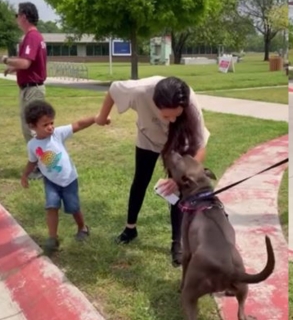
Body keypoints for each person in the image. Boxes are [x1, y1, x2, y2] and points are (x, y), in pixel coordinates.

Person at [95, 76, 210, 267]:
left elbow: (200, 147)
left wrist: (181, 178)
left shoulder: (190, 104)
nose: (172, 120)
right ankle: (130, 229)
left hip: (177, 144)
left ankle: (177, 243)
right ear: (155, 103)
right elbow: (113, 89)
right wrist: (101, 116)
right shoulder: (140, 91)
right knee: (140, 181)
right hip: (148, 138)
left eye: (176, 115)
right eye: (166, 116)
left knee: (178, 190)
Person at [20, 100, 104, 255]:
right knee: (51, 206)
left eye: (52, 122)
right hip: (51, 182)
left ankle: (83, 228)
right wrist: (25, 175)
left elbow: (77, 124)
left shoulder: (57, 134)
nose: (50, 127)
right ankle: (53, 238)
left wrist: (96, 118)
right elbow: (32, 162)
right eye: (45, 125)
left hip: (69, 179)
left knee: (73, 207)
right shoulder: (32, 145)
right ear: (32, 126)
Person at [2, 2, 47, 180]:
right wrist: (14, 69)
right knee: (32, 129)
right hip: (30, 88)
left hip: (33, 90)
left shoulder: (32, 37)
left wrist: (4, 60)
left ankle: (42, 167)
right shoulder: (33, 37)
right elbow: (30, 64)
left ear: (24, 16)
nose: (16, 19)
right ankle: (41, 165)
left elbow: (25, 63)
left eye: (17, 15)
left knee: (35, 130)